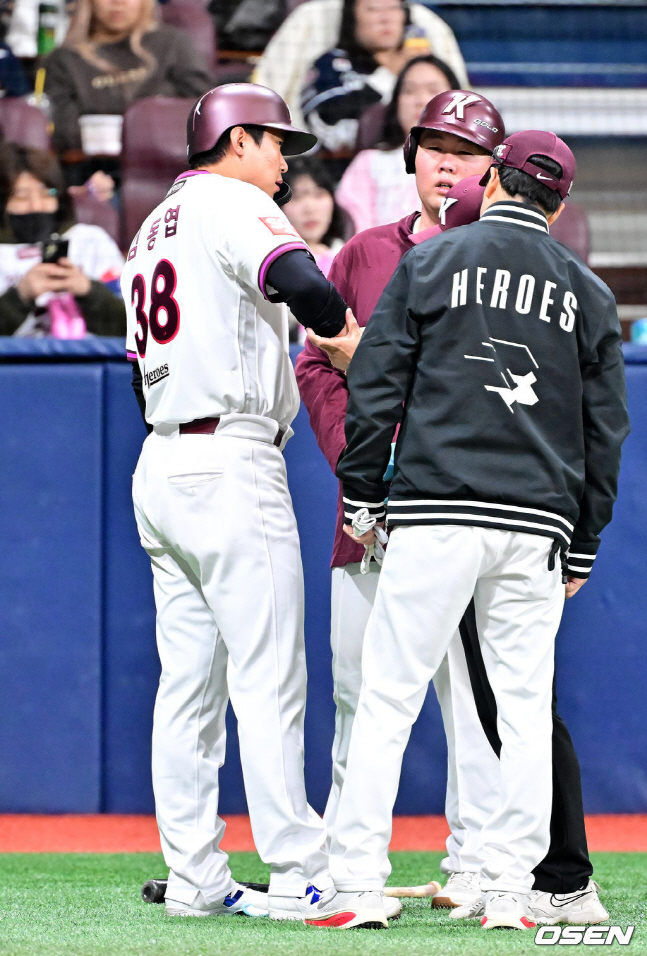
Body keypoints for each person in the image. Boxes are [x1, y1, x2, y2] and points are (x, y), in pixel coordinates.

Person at [315, 130, 629, 931]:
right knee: (521, 707)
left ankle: (356, 883)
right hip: (535, 523)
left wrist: (361, 494)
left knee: (386, 699)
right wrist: (586, 536)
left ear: (491, 180)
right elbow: (606, 430)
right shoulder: (588, 292)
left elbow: (377, 381)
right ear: (557, 203)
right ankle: (513, 890)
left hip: (437, 509)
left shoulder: (430, 261)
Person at [122, 82, 386, 930]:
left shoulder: (147, 230)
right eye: (276, 144)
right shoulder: (230, 199)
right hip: (230, 463)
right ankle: (303, 874)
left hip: (162, 460)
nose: (283, 162)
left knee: (188, 689)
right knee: (269, 678)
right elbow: (296, 277)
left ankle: (195, 874)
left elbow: (136, 374)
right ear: (236, 141)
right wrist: (351, 347)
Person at [44, 0, 212, 169]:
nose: (118, 3)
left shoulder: (173, 43)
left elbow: (203, 108)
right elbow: (66, 132)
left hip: (171, 163)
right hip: (94, 168)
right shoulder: (63, 60)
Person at [253, 0, 467, 130]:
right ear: (352, 17)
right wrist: (388, 74)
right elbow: (328, 125)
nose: (386, 19)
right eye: (373, 9)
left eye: (394, 8)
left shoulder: (427, 66)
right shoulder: (332, 64)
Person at [0, 142, 125, 336]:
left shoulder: (91, 240)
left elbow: (134, 327)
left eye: (47, 194)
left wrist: (87, 290)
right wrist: (21, 295)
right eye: (21, 197)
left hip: (92, 359)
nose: (36, 205)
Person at [335, 53, 459, 232]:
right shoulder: (369, 163)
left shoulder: (476, 163)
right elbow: (358, 236)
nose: (421, 100)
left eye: (433, 90)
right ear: (396, 103)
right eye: (409, 91)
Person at [283, 157, 347, 277]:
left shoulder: (345, 254)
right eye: (296, 198)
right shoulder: (270, 265)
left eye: (318, 195)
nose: (309, 209)